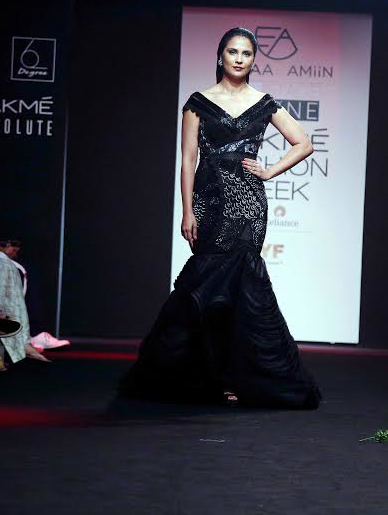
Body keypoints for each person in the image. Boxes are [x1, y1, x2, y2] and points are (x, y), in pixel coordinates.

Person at [120, 27, 321, 409]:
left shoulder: (263, 103)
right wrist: (187, 210)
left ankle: (239, 379)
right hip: (209, 201)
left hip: (248, 205)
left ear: (254, 59)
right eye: (233, 51)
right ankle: (203, 377)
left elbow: (304, 143)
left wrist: (270, 171)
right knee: (206, 289)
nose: (239, 58)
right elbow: (187, 160)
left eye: (246, 53)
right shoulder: (198, 103)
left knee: (243, 292)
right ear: (220, 56)